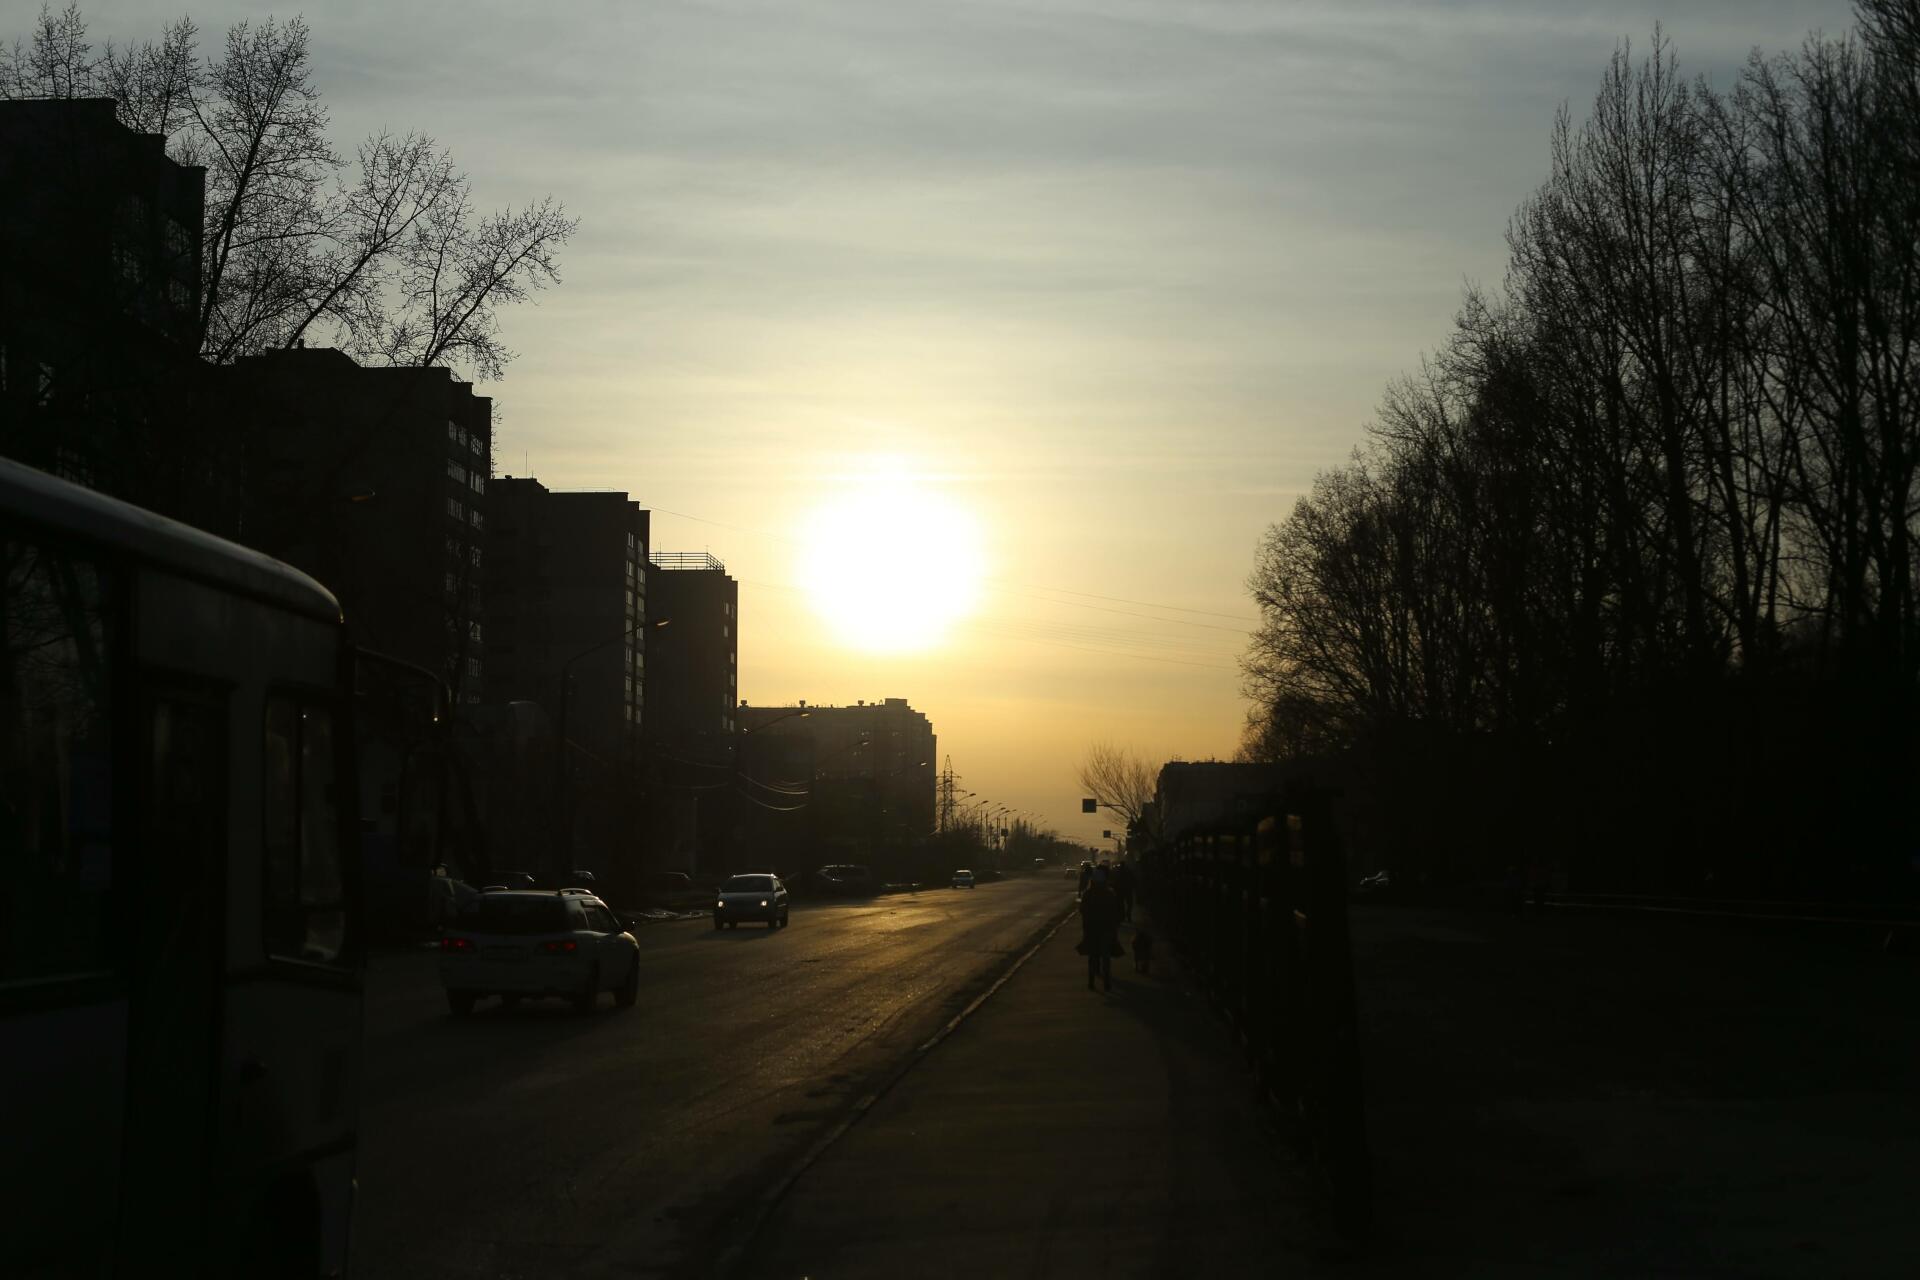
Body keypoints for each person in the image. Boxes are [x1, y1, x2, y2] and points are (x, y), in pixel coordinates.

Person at [1078, 868, 1121, 992]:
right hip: (1106, 929)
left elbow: (1082, 911)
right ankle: (1107, 982)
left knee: (1092, 956)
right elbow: (1114, 912)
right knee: (1106, 957)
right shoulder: (1109, 894)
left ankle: (1091, 982)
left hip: (1091, 929)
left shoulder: (1087, 894)